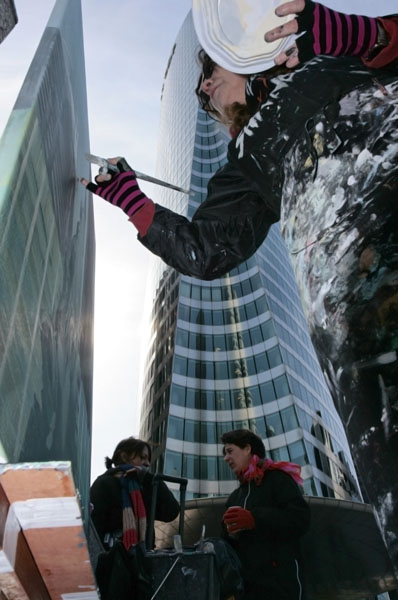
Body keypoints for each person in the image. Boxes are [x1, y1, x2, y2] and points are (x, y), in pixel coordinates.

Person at [82, 0, 398, 572]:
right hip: (356, 313)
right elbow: (205, 252)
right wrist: (132, 201)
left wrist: (358, 34)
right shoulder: (246, 160)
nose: (203, 87)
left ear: (248, 57)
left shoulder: (324, 56)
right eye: (201, 84)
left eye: (210, 72)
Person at [220, 429, 310, 600]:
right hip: (246, 590)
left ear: (247, 449)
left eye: (230, 451)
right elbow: (228, 547)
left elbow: (301, 519)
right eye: (225, 454)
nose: (226, 458)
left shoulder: (277, 478)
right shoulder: (234, 497)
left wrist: (255, 519)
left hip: (281, 587)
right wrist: (228, 534)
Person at [90, 436, 179, 549]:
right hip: (113, 558)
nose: (147, 464)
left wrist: (150, 479)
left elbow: (172, 512)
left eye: (148, 460)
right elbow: (94, 528)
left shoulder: (145, 488)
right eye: (142, 457)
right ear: (124, 457)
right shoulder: (104, 483)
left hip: (142, 558)